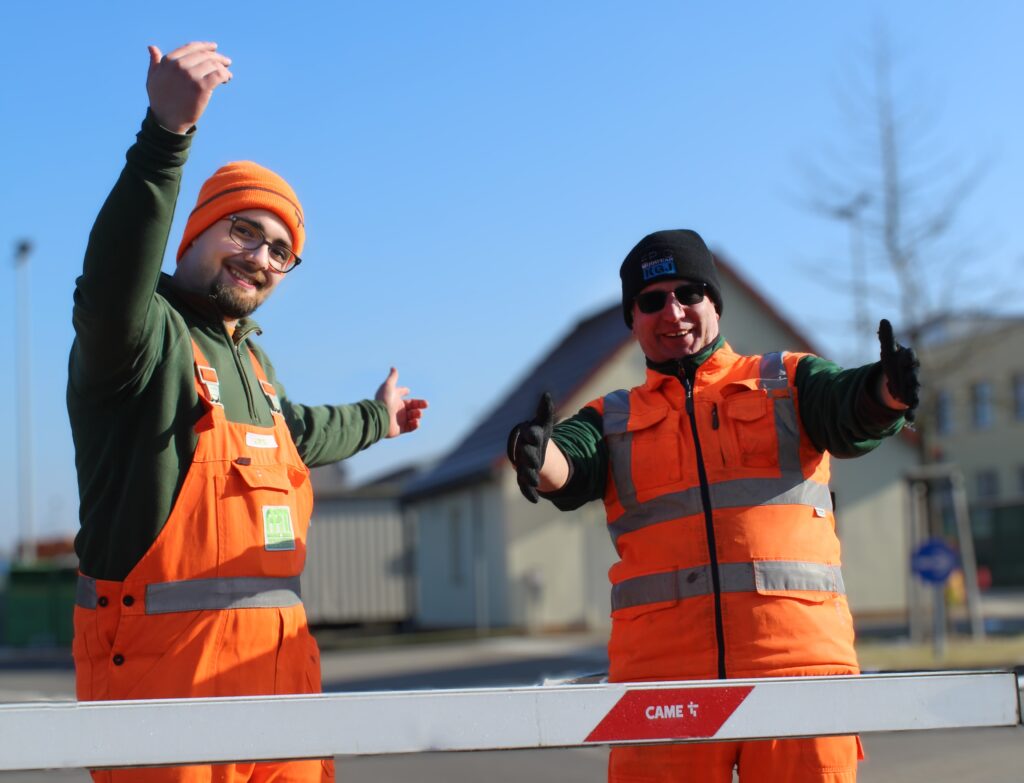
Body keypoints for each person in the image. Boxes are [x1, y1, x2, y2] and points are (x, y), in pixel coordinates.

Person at [68, 42, 427, 783]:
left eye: (280, 250)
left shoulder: (255, 366)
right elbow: (109, 285)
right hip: (165, 696)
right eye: (244, 231)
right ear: (193, 232)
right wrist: (166, 136)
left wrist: (378, 419)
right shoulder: (142, 339)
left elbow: (298, 433)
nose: (262, 257)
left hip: (282, 686)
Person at [507, 229, 919, 783]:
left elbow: (850, 406)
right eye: (651, 301)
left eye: (688, 294)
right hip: (661, 686)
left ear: (714, 304)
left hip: (797, 670)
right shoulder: (611, 418)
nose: (671, 311)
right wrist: (536, 454)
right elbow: (569, 464)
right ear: (633, 320)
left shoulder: (788, 382)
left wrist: (885, 392)